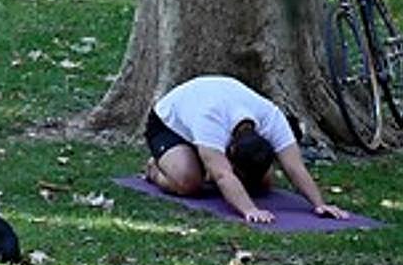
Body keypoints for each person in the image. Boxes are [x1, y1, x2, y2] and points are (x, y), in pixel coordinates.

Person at [143, 75, 349, 223]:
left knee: (262, 184)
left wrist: (319, 204)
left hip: (209, 126)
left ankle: (206, 161)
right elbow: (224, 175)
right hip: (169, 122)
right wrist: (250, 209)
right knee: (189, 182)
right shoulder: (210, 120)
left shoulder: (272, 118)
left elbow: (295, 167)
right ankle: (155, 169)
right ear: (230, 151)